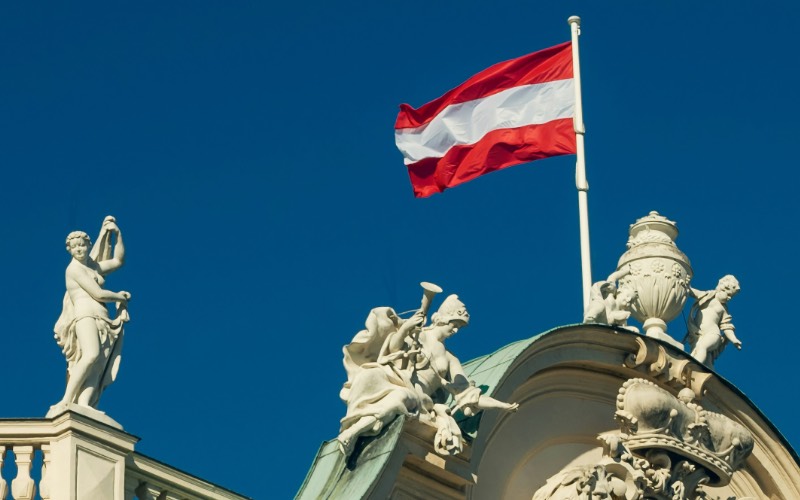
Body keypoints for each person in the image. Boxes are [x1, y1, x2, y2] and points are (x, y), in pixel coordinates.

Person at [50, 216, 131, 414]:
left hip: (102, 318)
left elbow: (118, 261)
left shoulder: (92, 267)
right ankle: (66, 400)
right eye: (74, 247)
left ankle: (84, 403)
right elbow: (98, 294)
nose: (79, 249)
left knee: (98, 364)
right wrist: (119, 296)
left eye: (82, 245)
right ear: (70, 250)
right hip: (85, 314)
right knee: (90, 354)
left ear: (88, 246)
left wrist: (117, 234)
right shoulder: (74, 269)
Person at [685, 275, 741, 367]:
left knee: (702, 347)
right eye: (728, 295)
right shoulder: (708, 295)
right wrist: (686, 285)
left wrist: (734, 339)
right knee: (699, 352)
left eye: (731, 296)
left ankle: (693, 367)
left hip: (713, 334)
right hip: (699, 334)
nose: (729, 298)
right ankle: (694, 369)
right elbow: (693, 292)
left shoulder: (723, 309)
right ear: (722, 289)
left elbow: (727, 326)